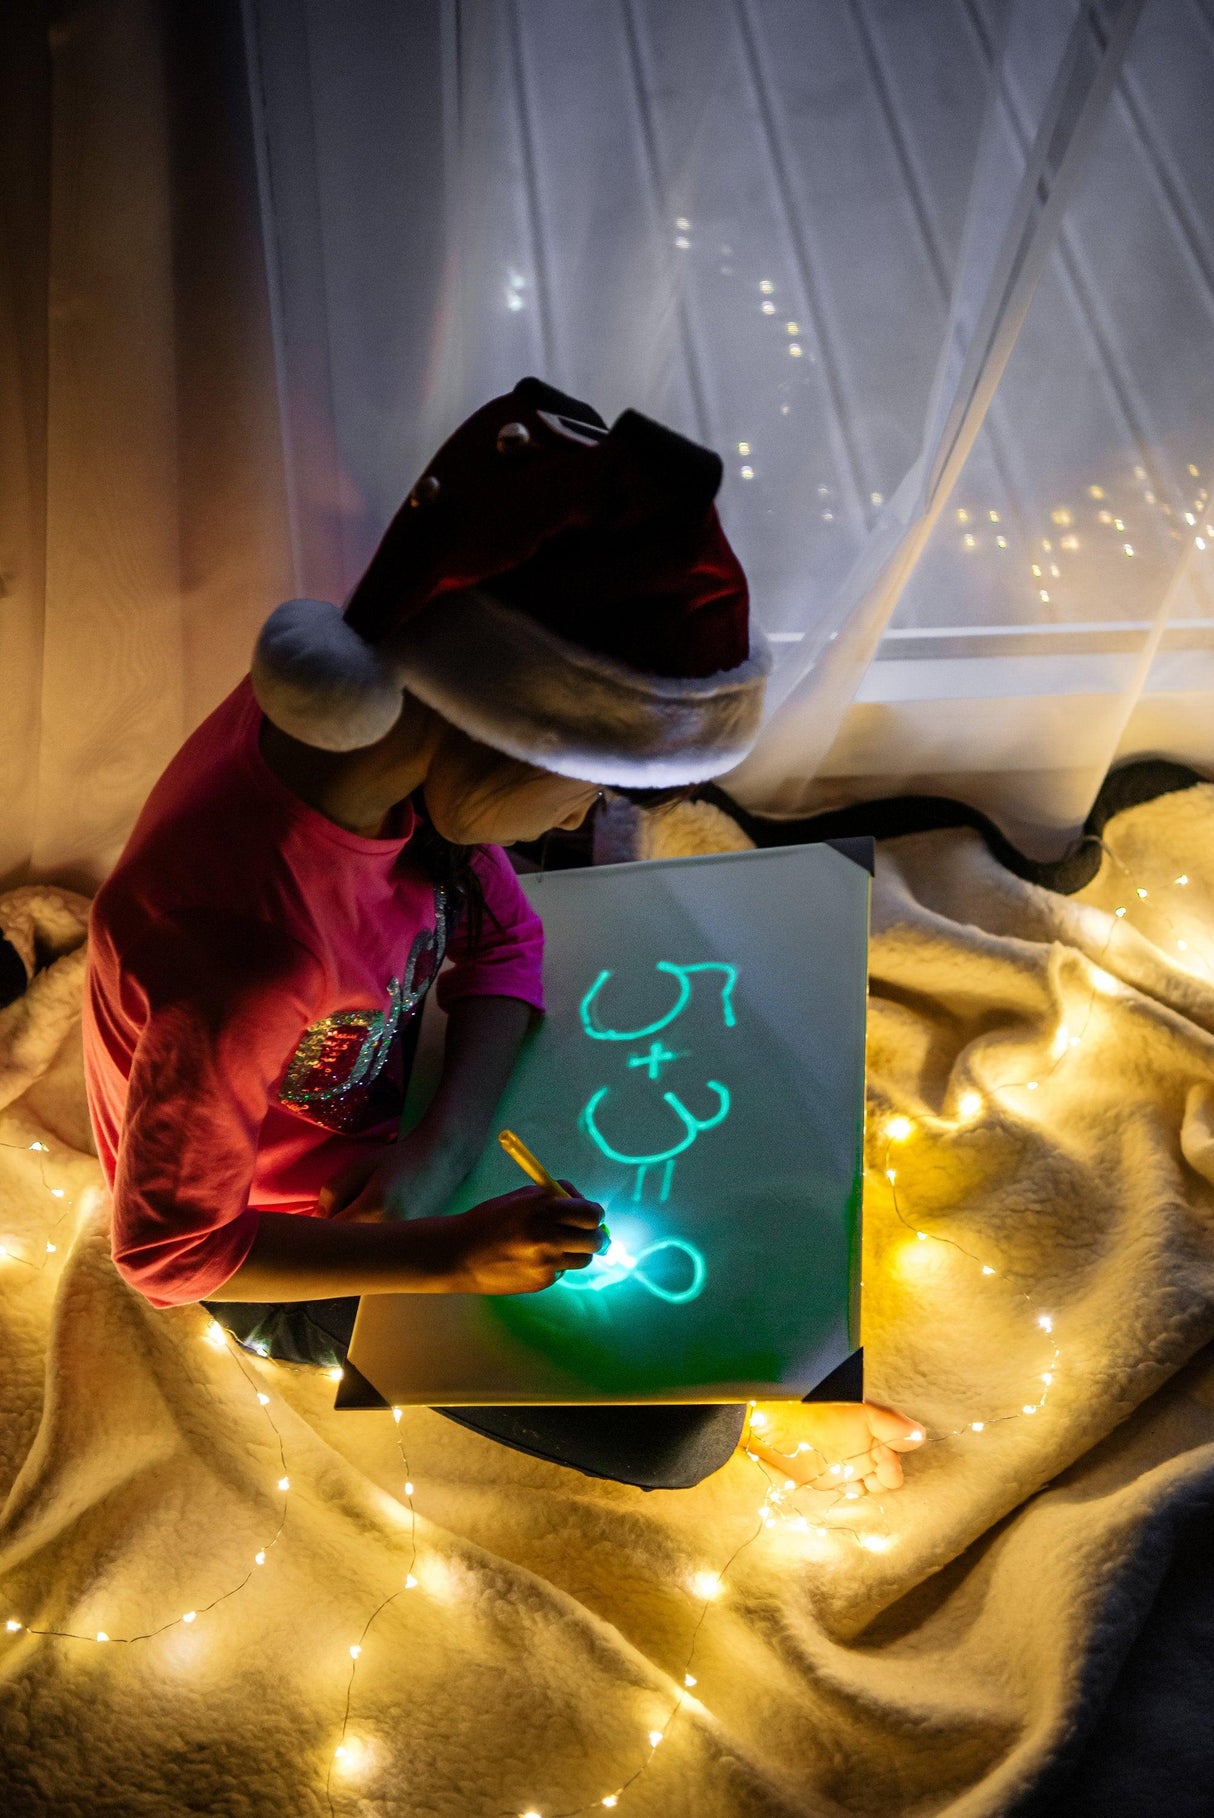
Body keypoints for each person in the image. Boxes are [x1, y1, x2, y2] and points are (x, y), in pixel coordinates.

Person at [82, 376, 922, 1493]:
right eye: (579, 783)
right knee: (683, 1437)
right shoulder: (245, 961)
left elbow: (507, 949)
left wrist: (437, 1155)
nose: (585, 814)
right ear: (494, 725)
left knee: (749, 1099)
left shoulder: (393, 776)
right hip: (309, 1236)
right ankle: (746, 1401)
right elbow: (172, 1258)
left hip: (407, 1149)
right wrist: (439, 1258)